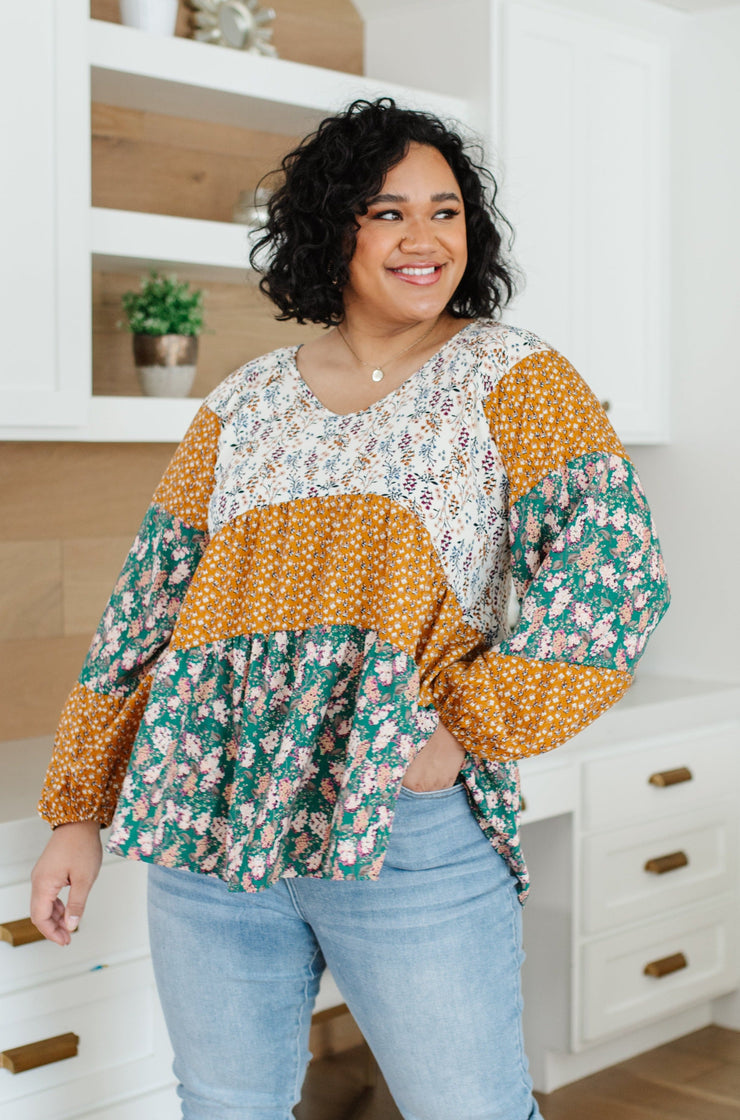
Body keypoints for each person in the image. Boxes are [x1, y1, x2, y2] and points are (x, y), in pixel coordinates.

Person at [30, 97, 670, 1120]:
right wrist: (77, 814)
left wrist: (463, 729)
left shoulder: (512, 377)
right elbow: (145, 609)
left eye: (446, 211)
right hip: (210, 814)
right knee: (224, 1105)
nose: (426, 238)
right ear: (333, 227)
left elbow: (614, 569)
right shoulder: (242, 404)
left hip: (400, 822)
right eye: (388, 212)